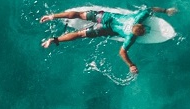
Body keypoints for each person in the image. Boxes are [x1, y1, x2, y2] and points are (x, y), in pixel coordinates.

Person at [39, 5, 178, 78]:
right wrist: (131, 65)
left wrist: (165, 10)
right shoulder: (130, 37)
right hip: (102, 29)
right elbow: (122, 52)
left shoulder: (137, 17)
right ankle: (53, 40)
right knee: (80, 34)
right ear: (139, 31)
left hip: (103, 17)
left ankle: (52, 16)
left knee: (78, 15)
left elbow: (151, 9)